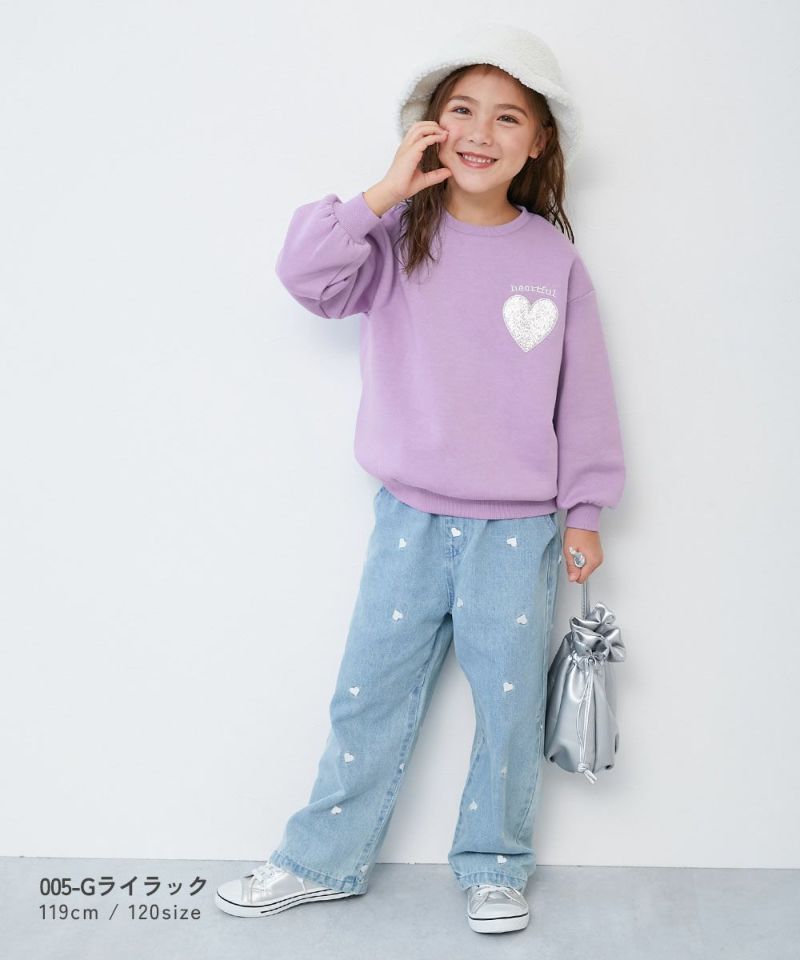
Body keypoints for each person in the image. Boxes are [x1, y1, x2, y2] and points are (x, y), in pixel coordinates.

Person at [215, 21, 625, 935]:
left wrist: (585, 511)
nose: (481, 131)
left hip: (518, 532)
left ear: (539, 140)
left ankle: (495, 864)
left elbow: (585, 397)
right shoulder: (397, 234)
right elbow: (305, 276)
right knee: (366, 693)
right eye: (461, 110)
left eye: (507, 116)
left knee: (509, 706)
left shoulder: (552, 260)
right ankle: (321, 860)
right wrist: (384, 192)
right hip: (407, 518)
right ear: (430, 128)